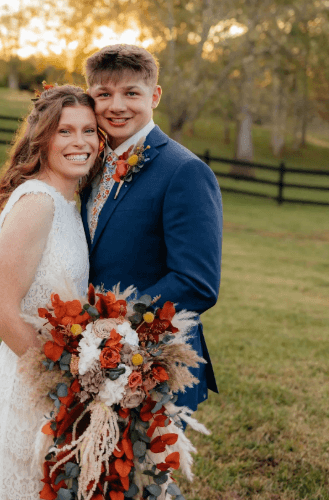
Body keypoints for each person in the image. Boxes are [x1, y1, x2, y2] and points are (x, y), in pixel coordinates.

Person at [0, 85, 101, 500]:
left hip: (49, 397)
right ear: (41, 138)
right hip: (25, 397)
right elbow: (0, 313)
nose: (80, 143)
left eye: (89, 130)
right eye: (65, 131)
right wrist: (65, 387)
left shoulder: (70, 203)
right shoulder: (36, 203)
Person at [81, 44, 223, 415]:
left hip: (153, 361)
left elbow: (197, 282)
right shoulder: (89, 162)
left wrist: (116, 327)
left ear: (154, 96)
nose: (117, 105)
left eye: (131, 93)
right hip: (92, 356)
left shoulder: (184, 171)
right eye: (104, 94)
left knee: (144, 473)